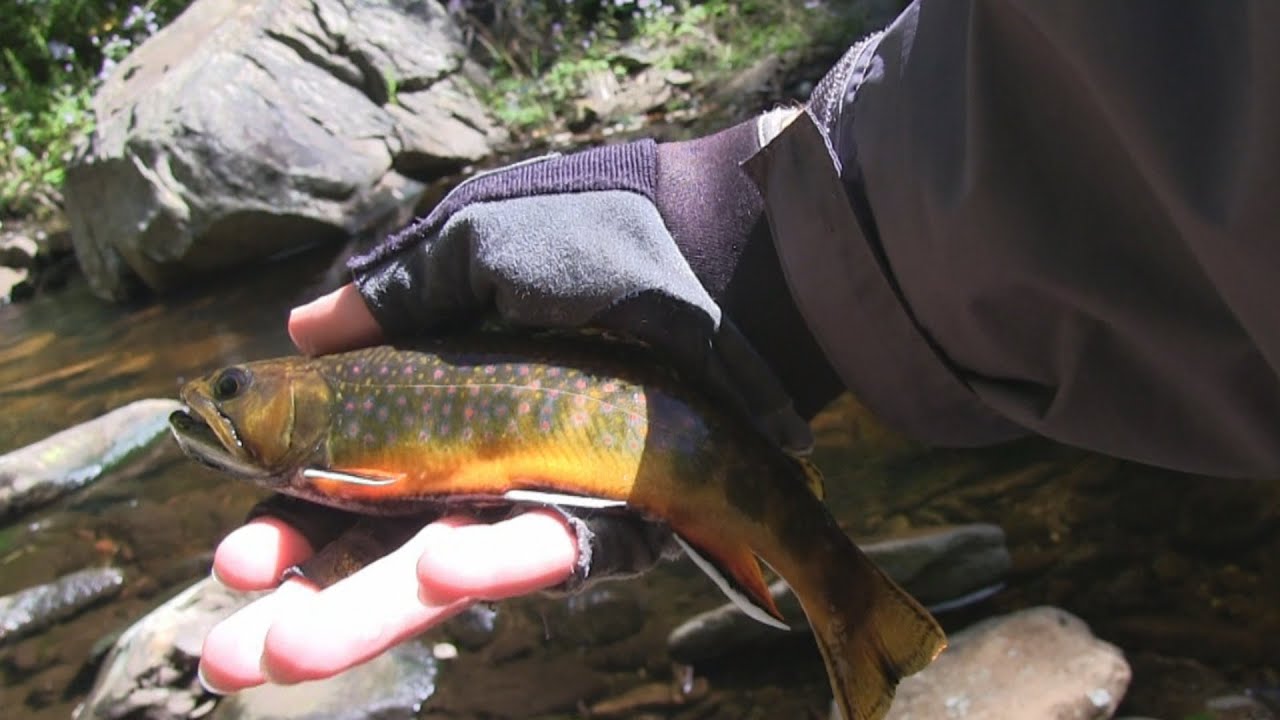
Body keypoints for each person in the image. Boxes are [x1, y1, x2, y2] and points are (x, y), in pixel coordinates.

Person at [196, 0, 1280, 695]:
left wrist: (793, 241)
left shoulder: (330, 428)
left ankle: (844, 601)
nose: (221, 400)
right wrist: (774, 256)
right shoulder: (329, 429)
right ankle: (844, 604)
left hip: (689, 438)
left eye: (232, 388)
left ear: (296, 395)